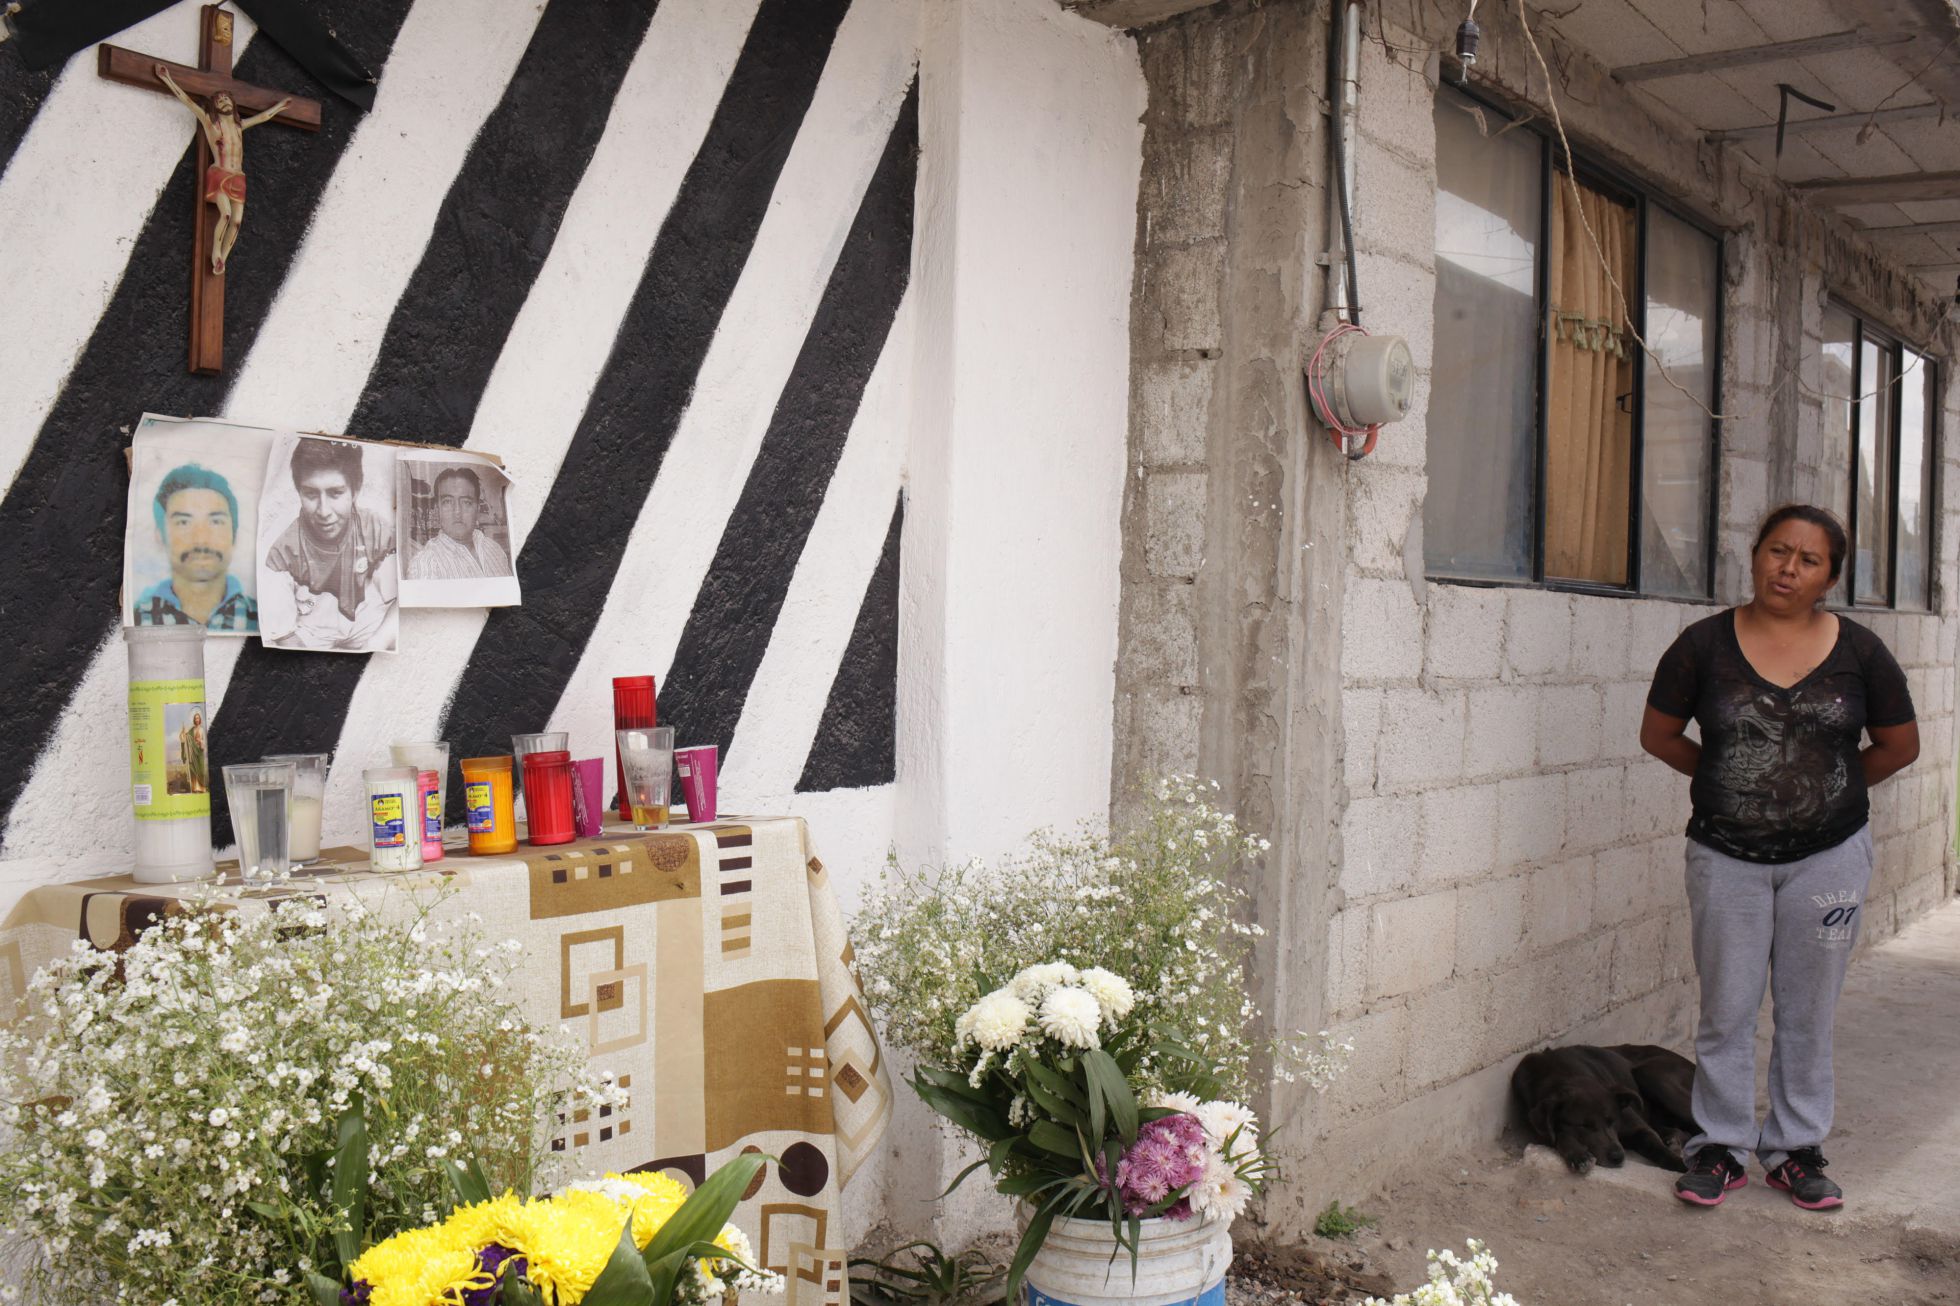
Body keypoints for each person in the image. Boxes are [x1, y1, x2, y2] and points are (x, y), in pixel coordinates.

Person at [1640, 504, 1917, 1212]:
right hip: (1725, 855)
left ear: (1829, 576)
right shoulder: (1702, 646)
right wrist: (1728, 781)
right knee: (1726, 1006)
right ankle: (1721, 1148)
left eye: (1808, 559)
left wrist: (1831, 792)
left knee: (1807, 1007)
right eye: (1777, 551)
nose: (1788, 568)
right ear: (1756, 554)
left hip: (1830, 861)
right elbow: (1659, 735)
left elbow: (1898, 745)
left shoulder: (1861, 653)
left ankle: (1794, 1150)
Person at [263, 438, 397, 651]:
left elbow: (399, 604)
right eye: (311, 494)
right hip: (311, 632)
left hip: (367, 624)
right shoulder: (282, 551)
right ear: (298, 492)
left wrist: (375, 645)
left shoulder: (376, 528)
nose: (324, 511)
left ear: (355, 491)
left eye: (335, 493)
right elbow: (285, 637)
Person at [155, 64, 290, 275]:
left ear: (233, 105)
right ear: (215, 107)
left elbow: (263, 117)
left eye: (227, 99)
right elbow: (187, 101)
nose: (224, 102)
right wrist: (167, 79)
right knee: (225, 214)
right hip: (219, 173)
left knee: (236, 221)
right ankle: (216, 251)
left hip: (238, 176)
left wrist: (280, 106)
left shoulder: (239, 126)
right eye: (219, 101)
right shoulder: (211, 124)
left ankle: (222, 260)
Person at [133, 463, 258, 631]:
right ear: (159, 535)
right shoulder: (135, 620)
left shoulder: (263, 622)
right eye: (183, 522)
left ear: (235, 535)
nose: (201, 539)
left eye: (216, 522)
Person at [406, 466, 512, 580]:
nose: (457, 511)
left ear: (477, 507)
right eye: (447, 502)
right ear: (437, 509)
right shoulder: (426, 565)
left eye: (466, 502)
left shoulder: (495, 549)